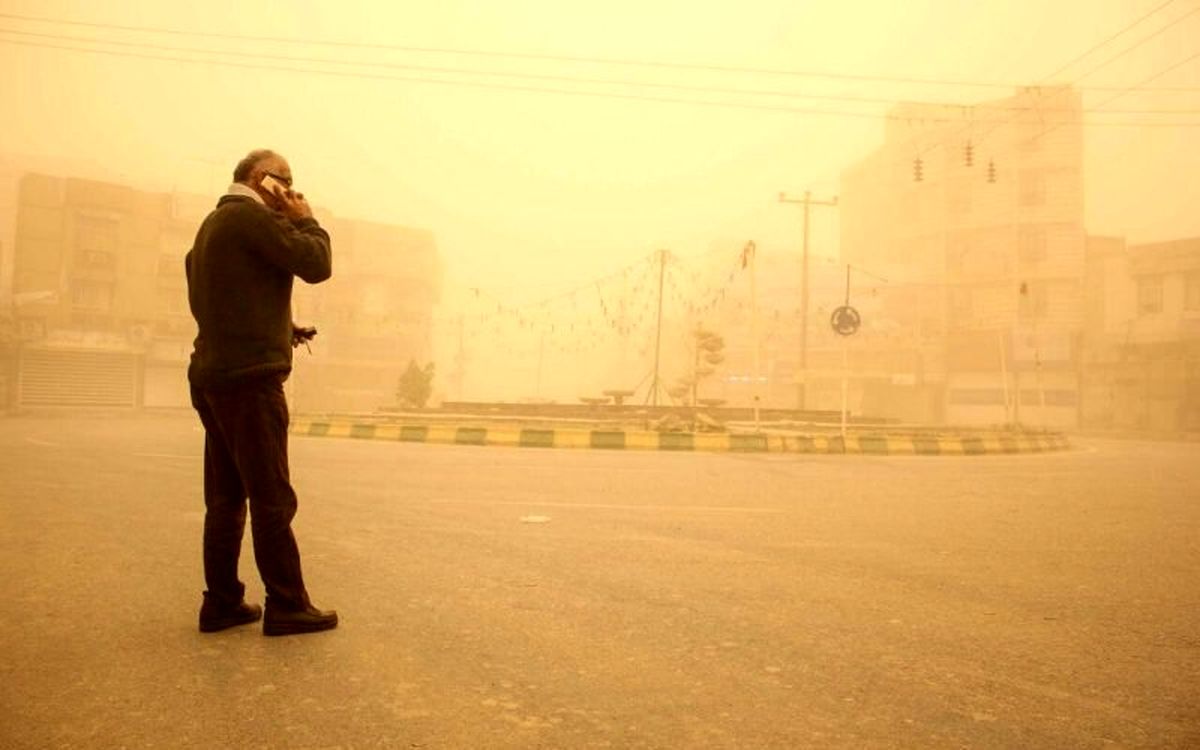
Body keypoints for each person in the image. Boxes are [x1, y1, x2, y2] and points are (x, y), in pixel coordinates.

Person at [186, 149, 338, 636]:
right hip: (250, 382)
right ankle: (288, 603)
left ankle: (223, 602)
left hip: (213, 375)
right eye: (285, 182)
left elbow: (215, 295)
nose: (290, 191)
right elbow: (315, 263)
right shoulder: (250, 217)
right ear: (261, 179)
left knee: (226, 498)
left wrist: (279, 324)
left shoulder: (212, 227)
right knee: (272, 498)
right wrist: (306, 219)